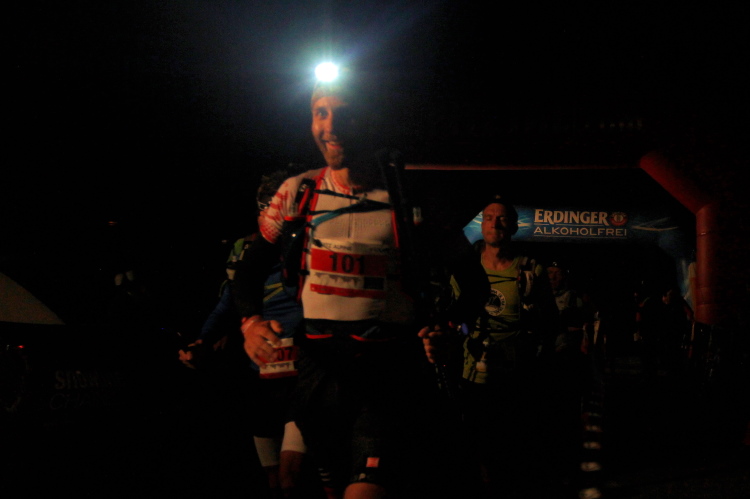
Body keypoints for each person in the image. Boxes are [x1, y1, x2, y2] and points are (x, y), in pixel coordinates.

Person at [232, 72, 485, 499]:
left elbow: (474, 285)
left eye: (343, 114)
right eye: (320, 113)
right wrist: (250, 322)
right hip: (316, 376)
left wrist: (447, 328)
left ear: (372, 119)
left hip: (386, 376)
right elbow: (250, 269)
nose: (330, 126)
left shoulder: (414, 201)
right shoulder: (298, 192)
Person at [179, 171, 312, 499]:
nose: (273, 221)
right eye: (267, 212)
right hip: (262, 383)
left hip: (306, 379)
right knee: (273, 479)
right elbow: (227, 303)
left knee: (291, 477)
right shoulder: (249, 261)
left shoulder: (311, 252)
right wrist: (202, 341)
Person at [446, 194, 559, 497]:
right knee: (476, 443)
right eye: (488, 217)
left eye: (502, 218)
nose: (494, 223)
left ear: (514, 227)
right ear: (482, 225)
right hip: (473, 373)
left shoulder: (530, 269)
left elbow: (551, 323)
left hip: (517, 375)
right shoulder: (464, 266)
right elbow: (453, 317)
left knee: (511, 446)